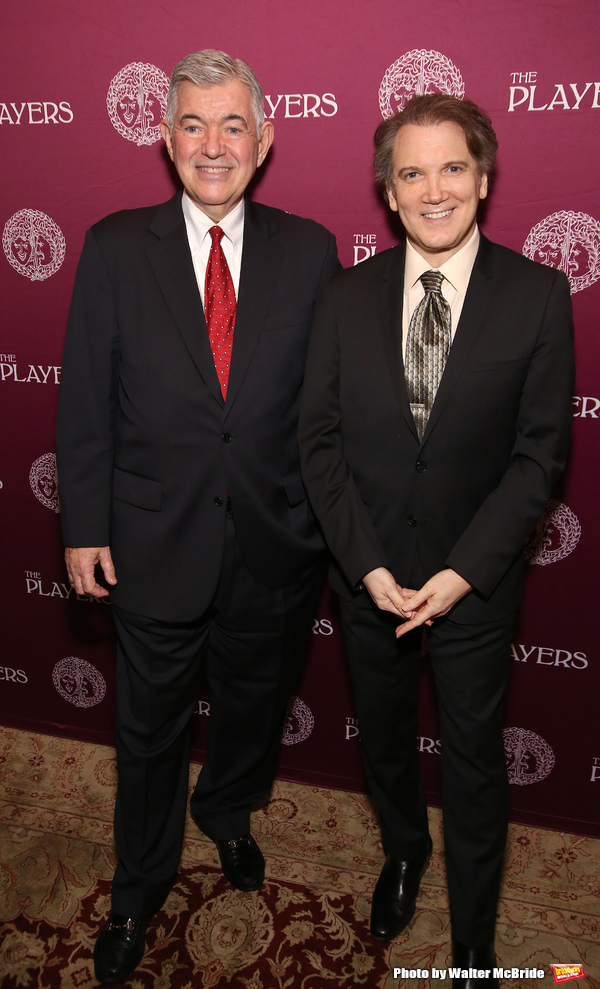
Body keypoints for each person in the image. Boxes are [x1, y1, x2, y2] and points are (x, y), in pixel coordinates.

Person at [55, 49, 339, 985]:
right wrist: (83, 525)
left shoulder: (310, 248)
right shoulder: (110, 244)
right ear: (164, 136)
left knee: (253, 711)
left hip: (274, 544)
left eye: (231, 126)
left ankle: (228, 813)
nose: (212, 145)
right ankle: (139, 882)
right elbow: (85, 398)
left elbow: (328, 405)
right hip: (150, 542)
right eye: (192, 124)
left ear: (264, 141)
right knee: (145, 730)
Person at [298, 94, 574, 987]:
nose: (432, 189)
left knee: (474, 759)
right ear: (388, 189)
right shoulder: (341, 297)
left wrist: (461, 573)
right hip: (368, 579)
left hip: (475, 587)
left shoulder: (538, 295)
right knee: (383, 742)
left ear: (483, 179)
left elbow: (539, 458)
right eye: (410, 172)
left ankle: (473, 940)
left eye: (451, 167)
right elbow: (319, 442)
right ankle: (405, 853)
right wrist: (367, 565)